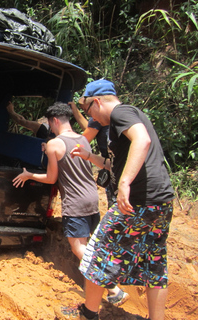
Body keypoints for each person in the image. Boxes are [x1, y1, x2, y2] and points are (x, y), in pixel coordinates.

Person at [66, 79, 174, 320]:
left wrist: (124, 184)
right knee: (153, 262)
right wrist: (89, 156)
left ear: (96, 101)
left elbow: (142, 141)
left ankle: (88, 314)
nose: (91, 117)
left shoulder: (120, 112)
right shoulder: (129, 118)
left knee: (96, 253)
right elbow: (113, 165)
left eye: (88, 111)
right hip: (161, 201)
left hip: (137, 200)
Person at [12, 102, 127, 305]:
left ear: (54, 120)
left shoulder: (54, 144)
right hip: (91, 198)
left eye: (50, 124)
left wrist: (29, 175)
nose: (52, 128)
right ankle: (97, 287)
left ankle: (113, 288)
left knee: (78, 248)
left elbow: (51, 178)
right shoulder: (83, 138)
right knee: (90, 245)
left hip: (75, 202)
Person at [70, 101, 116, 207]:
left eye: (87, 110)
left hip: (112, 167)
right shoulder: (118, 114)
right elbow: (90, 127)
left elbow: (84, 141)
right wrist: (75, 111)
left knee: (116, 206)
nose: (92, 118)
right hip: (112, 164)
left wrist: (67, 145)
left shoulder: (100, 116)